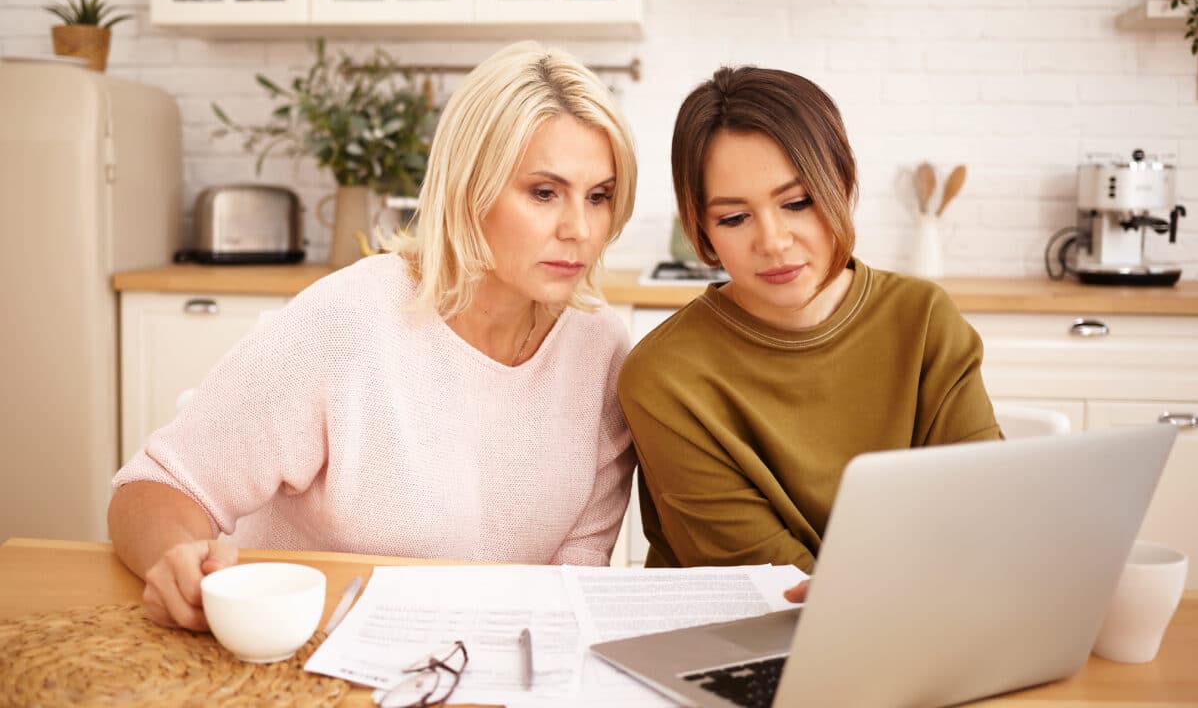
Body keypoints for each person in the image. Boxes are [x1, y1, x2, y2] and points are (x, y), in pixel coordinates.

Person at [109, 41, 639, 631]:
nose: (580, 229)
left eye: (599, 196)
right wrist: (177, 561)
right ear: (470, 187)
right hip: (306, 655)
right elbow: (161, 484)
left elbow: (576, 577)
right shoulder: (348, 320)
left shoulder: (602, 350)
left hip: (478, 664)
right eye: (544, 193)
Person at [618, 66, 1000, 579]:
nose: (773, 241)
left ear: (841, 183)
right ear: (701, 228)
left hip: (917, 625)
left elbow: (985, 510)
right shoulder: (664, 375)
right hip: (741, 639)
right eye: (734, 218)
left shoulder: (924, 319)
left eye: (797, 203)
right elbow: (771, 584)